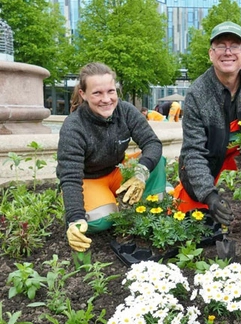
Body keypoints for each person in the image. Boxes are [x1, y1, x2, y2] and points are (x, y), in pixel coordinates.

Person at [173, 21, 241, 228]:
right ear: (211, 54)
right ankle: (199, 202)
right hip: (209, 152)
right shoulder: (197, 93)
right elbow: (194, 151)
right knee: (194, 221)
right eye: (220, 46)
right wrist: (209, 196)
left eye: (234, 46)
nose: (227, 52)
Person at [57, 62, 167, 252]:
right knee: (101, 221)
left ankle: (150, 210)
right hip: (90, 179)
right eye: (97, 93)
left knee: (155, 162)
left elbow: (152, 143)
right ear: (83, 94)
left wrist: (140, 173)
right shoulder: (73, 127)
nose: (106, 99)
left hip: (117, 170)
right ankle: (103, 204)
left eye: (111, 91)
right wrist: (74, 218)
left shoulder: (125, 111)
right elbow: (70, 177)